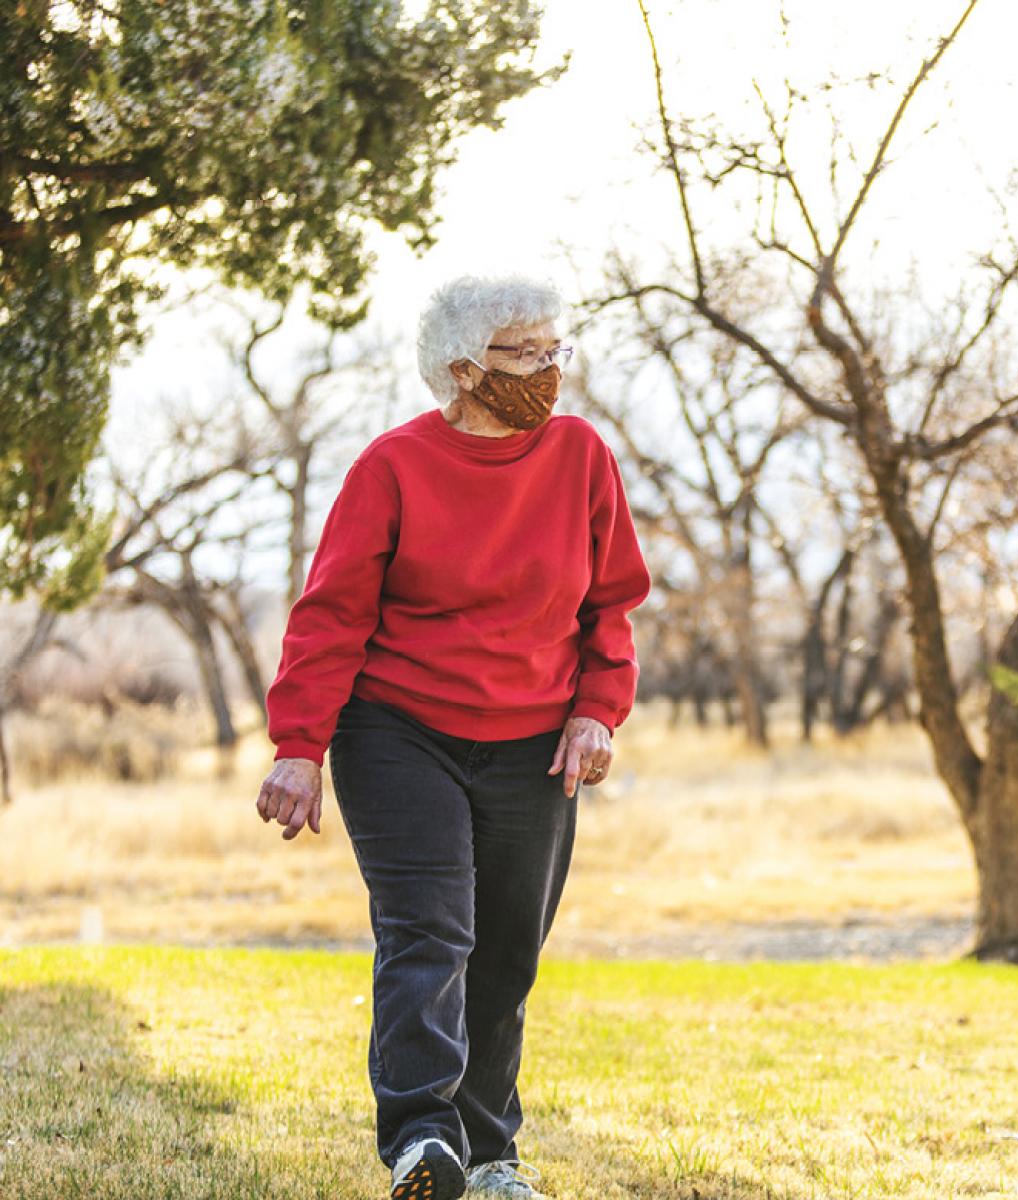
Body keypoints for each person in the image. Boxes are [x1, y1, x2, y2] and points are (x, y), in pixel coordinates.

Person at [255, 275, 651, 1200]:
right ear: (464, 370)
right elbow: (330, 617)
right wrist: (298, 746)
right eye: (527, 354)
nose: (550, 372)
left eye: (558, 350)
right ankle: (423, 1142)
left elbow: (613, 601)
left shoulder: (582, 456)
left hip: (533, 736)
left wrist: (599, 707)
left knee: (508, 948)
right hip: (399, 729)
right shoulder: (391, 468)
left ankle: (489, 1154)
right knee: (431, 933)